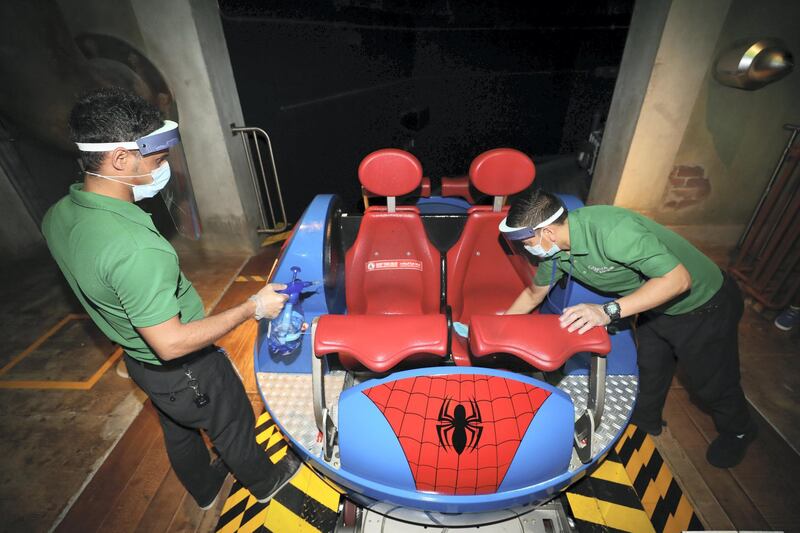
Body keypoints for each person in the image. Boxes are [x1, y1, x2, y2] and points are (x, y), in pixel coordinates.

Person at [42, 87, 300, 508]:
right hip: (185, 367)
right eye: (159, 160)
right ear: (121, 159)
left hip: (140, 363)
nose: (165, 170)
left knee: (178, 429)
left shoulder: (59, 215)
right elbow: (171, 342)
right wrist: (253, 307)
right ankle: (266, 482)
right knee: (232, 422)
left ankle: (204, 488)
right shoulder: (136, 248)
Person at [500, 190, 756, 468]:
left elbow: (678, 280)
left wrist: (606, 311)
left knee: (711, 383)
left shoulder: (613, 232)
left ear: (547, 232)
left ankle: (740, 430)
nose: (528, 249)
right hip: (654, 306)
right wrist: (500, 331)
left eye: (528, 242)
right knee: (649, 367)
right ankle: (646, 422)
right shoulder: (555, 251)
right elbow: (533, 294)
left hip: (703, 306)